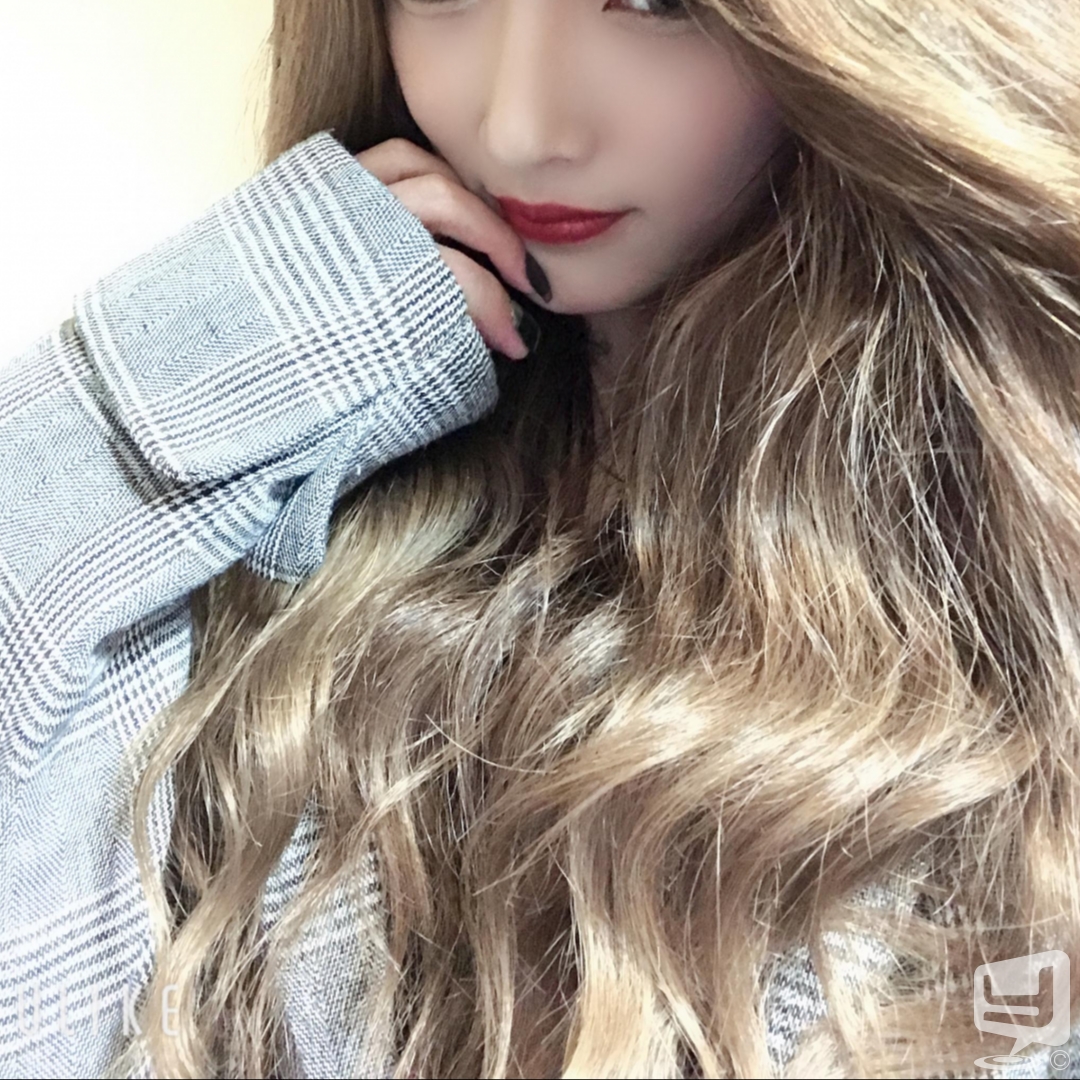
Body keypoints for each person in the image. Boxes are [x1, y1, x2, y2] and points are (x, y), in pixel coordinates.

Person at [1, 0, 1078, 1076]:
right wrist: (202, 351)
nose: (519, 127)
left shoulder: (1018, 615)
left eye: (656, 4)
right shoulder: (297, 473)